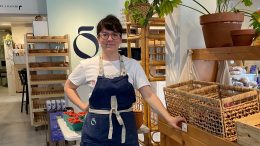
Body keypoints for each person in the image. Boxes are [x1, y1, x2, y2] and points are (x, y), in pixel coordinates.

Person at [64, 14, 186, 146]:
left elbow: (149, 95)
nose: (109, 38)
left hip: (125, 132)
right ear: (98, 38)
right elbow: (69, 87)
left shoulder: (132, 65)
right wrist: (82, 106)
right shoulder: (87, 65)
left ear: (120, 39)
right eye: (105, 34)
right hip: (95, 133)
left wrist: (169, 118)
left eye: (114, 34)